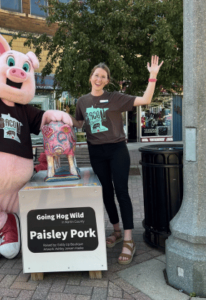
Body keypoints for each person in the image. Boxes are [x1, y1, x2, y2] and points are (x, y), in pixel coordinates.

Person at [71, 56, 163, 264]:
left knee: (121, 191)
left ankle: (129, 240)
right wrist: (61, 119)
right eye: (96, 75)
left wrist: (153, 76)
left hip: (117, 150)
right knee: (106, 192)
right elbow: (78, 122)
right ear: (91, 77)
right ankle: (116, 230)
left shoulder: (114, 98)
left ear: (107, 81)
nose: (99, 79)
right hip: (96, 151)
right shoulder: (82, 101)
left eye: (103, 77)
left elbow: (145, 100)